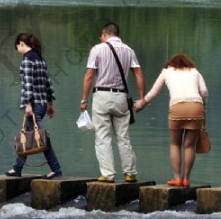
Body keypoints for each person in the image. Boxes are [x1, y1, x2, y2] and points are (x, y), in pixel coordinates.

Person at [79, 22, 144, 183]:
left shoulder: (97, 50)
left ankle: (108, 174)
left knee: (102, 136)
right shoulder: (129, 51)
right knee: (123, 136)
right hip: (121, 97)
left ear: (105, 34)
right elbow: (138, 75)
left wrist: (84, 99)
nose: (101, 39)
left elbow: (89, 76)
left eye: (101, 36)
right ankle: (130, 173)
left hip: (101, 96)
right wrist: (142, 98)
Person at [135, 54, 209, 186]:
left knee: (175, 144)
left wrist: (142, 103)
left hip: (177, 107)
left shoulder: (167, 71)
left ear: (170, 64)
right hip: (196, 107)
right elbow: (203, 92)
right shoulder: (194, 71)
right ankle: (186, 179)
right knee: (189, 145)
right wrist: (203, 105)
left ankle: (177, 178)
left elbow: (154, 92)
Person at [7, 32, 63, 179]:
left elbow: (27, 84)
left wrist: (27, 104)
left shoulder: (27, 60)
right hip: (42, 103)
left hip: (33, 104)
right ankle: (17, 167)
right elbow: (48, 83)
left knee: (40, 138)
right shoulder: (40, 59)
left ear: (21, 43)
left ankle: (56, 169)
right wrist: (50, 104)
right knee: (30, 135)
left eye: (17, 46)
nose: (17, 49)